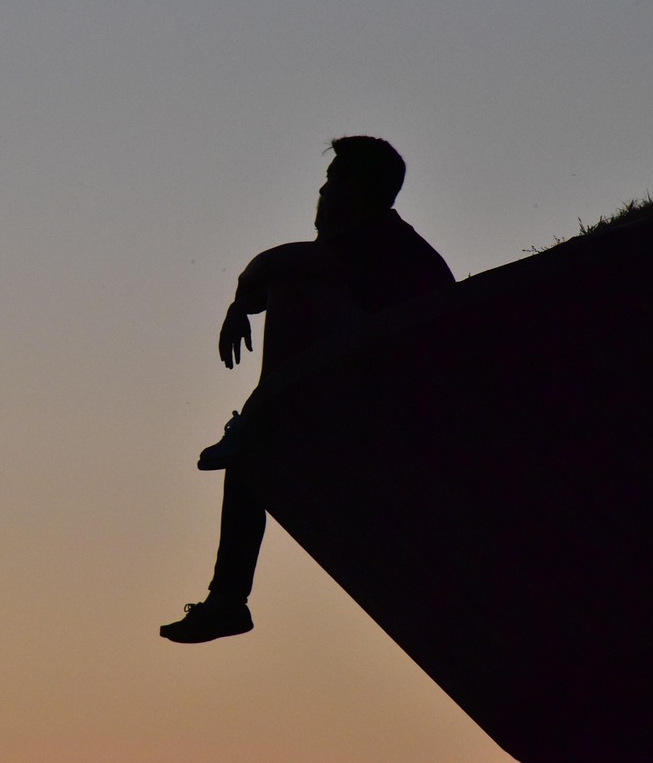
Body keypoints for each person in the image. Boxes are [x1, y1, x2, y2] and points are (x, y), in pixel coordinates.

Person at [161, 136, 455, 643]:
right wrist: (247, 299)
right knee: (251, 452)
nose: (321, 192)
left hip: (407, 413)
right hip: (376, 398)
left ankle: (255, 427)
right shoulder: (365, 247)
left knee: (294, 287)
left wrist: (240, 302)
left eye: (332, 180)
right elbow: (272, 274)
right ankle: (227, 599)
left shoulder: (383, 245)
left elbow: (275, 264)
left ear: (353, 191)